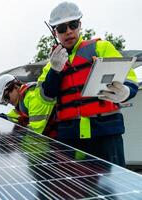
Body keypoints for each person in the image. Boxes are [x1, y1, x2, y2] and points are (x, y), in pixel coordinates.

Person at [38, 2, 138, 166]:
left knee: (114, 187)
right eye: (62, 28)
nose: (69, 31)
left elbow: (129, 76)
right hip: (70, 138)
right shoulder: (50, 65)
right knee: (74, 189)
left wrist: (126, 91)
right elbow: (45, 96)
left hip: (106, 135)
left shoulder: (101, 47)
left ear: (80, 25)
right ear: (55, 32)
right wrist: (55, 71)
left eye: (73, 24)